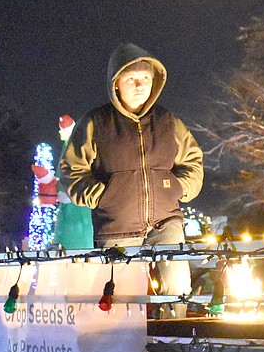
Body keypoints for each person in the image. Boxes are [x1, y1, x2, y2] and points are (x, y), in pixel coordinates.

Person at [63, 43, 204, 316]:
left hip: (167, 222)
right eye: (131, 79)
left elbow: (193, 162)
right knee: (121, 301)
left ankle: (173, 349)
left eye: (146, 79)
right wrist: (102, 196)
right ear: (116, 84)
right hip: (117, 229)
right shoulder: (96, 123)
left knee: (178, 291)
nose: (140, 85)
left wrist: (179, 187)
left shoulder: (168, 122)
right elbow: (71, 169)